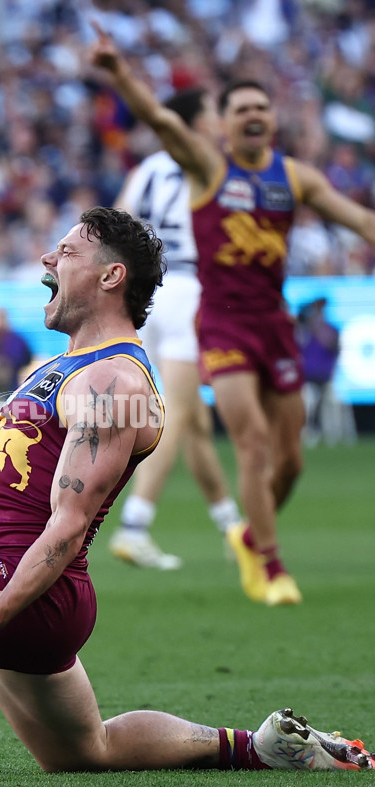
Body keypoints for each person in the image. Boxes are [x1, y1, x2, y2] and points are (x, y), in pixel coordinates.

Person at [0, 207, 373, 782]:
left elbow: (68, 523)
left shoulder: (114, 380)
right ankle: (257, 747)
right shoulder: (65, 365)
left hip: (20, 586)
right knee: (85, 753)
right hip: (16, 583)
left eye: (68, 252)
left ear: (111, 277)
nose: (47, 259)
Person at [88, 23, 375, 606]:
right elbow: (165, 123)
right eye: (240, 107)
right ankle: (269, 565)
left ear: (272, 119)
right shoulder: (209, 168)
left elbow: (362, 222)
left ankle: (245, 528)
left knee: (290, 457)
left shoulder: (295, 177)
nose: (251, 115)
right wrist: (120, 74)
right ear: (225, 121)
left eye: (260, 108)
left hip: (274, 322)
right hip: (217, 317)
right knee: (248, 438)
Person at [108, 88, 241, 571]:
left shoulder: (146, 169)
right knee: (179, 412)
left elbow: (116, 223)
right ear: (192, 123)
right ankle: (135, 525)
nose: (217, 123)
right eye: (211, 114)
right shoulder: (210, 164)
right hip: (189, 289)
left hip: (148, 292)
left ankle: (233, 527)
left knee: (196, 423)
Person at [296, 298, 356, 447]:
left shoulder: (331, 330)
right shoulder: (303, 332)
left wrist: (319, 330)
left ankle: (334, 437)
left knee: (333, 406)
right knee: (307, 407)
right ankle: (305, 436)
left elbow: (335, 347)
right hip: (308, 377)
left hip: (327, 376)